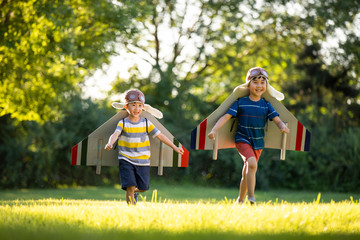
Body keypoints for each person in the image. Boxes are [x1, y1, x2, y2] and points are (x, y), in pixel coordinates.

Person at [208, 67, 290, 204]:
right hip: (242, 139)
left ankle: (240, 200)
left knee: (247, 171)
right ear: (249, 84)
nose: (259, 86)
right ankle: (251, 199)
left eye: (262, 83)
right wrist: (214, 130)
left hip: (258, 142)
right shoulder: (241, 102)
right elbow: (226, 117)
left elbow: (277, 119)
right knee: (252, 164)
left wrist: (282, 126)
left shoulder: (265, 105)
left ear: (266, 85)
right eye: (255, 82)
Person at [105, 89, 184, 205]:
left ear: (143, 107)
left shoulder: (146, 123)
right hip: (126, 158)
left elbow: (160, 136)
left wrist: (175, 147)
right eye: (133, 105)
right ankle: (131, 207)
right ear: (126, 107)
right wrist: (110, 143)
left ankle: (134, 192)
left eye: (139, 106)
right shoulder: (123, 122)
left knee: (143, 187)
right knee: (130, 186)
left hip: (142, 160)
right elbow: (115, 134)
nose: (136, 109)